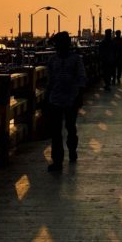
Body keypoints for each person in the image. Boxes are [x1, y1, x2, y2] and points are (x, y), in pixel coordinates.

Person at [46, 32, 86, 172]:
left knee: (70, 127)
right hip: (55, 99)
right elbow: (49, 81)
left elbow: (81, 78)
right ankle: (57, 160)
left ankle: (72, 150)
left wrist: (80, 96)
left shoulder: (76, 59)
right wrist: (47, 98)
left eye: (60, 44)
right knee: (56, 131)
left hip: (71, 98)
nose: (58, 47)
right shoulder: (52, 60)